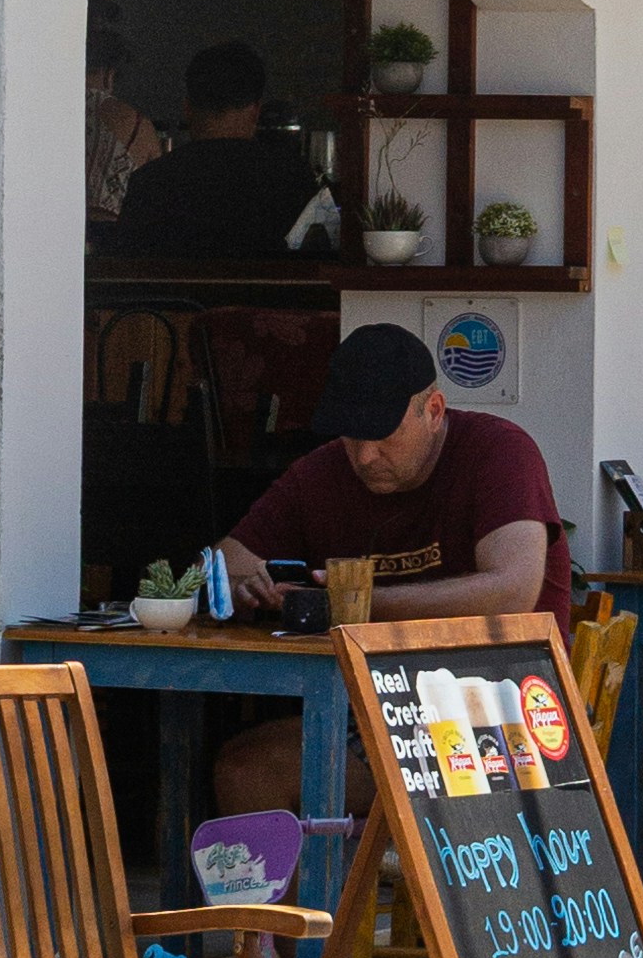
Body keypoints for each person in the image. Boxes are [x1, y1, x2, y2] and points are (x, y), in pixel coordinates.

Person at [209, 326, 572, 809]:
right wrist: (244, 587)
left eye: (383, 434)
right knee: (241, 766)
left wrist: (355, 605)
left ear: (434, 411)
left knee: (251, 773)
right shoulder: (322, 472)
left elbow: (513, 592)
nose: (364, 456)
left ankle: (351, 862)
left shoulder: (499, 451)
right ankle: (343, 864)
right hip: (388, 710)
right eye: (351, 435)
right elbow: (224, 564)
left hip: (507, 714)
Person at [109, 38, 319, 270]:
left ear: (187, 108)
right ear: (256, 110)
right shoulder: (294, 178)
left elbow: (127, 268)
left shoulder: (150, 182)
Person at [83, 8, 162, 238]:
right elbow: (158, 195)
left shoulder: (43, 113)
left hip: (51, 236)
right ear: (110, 73)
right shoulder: (135, 124)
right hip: (115, 243)